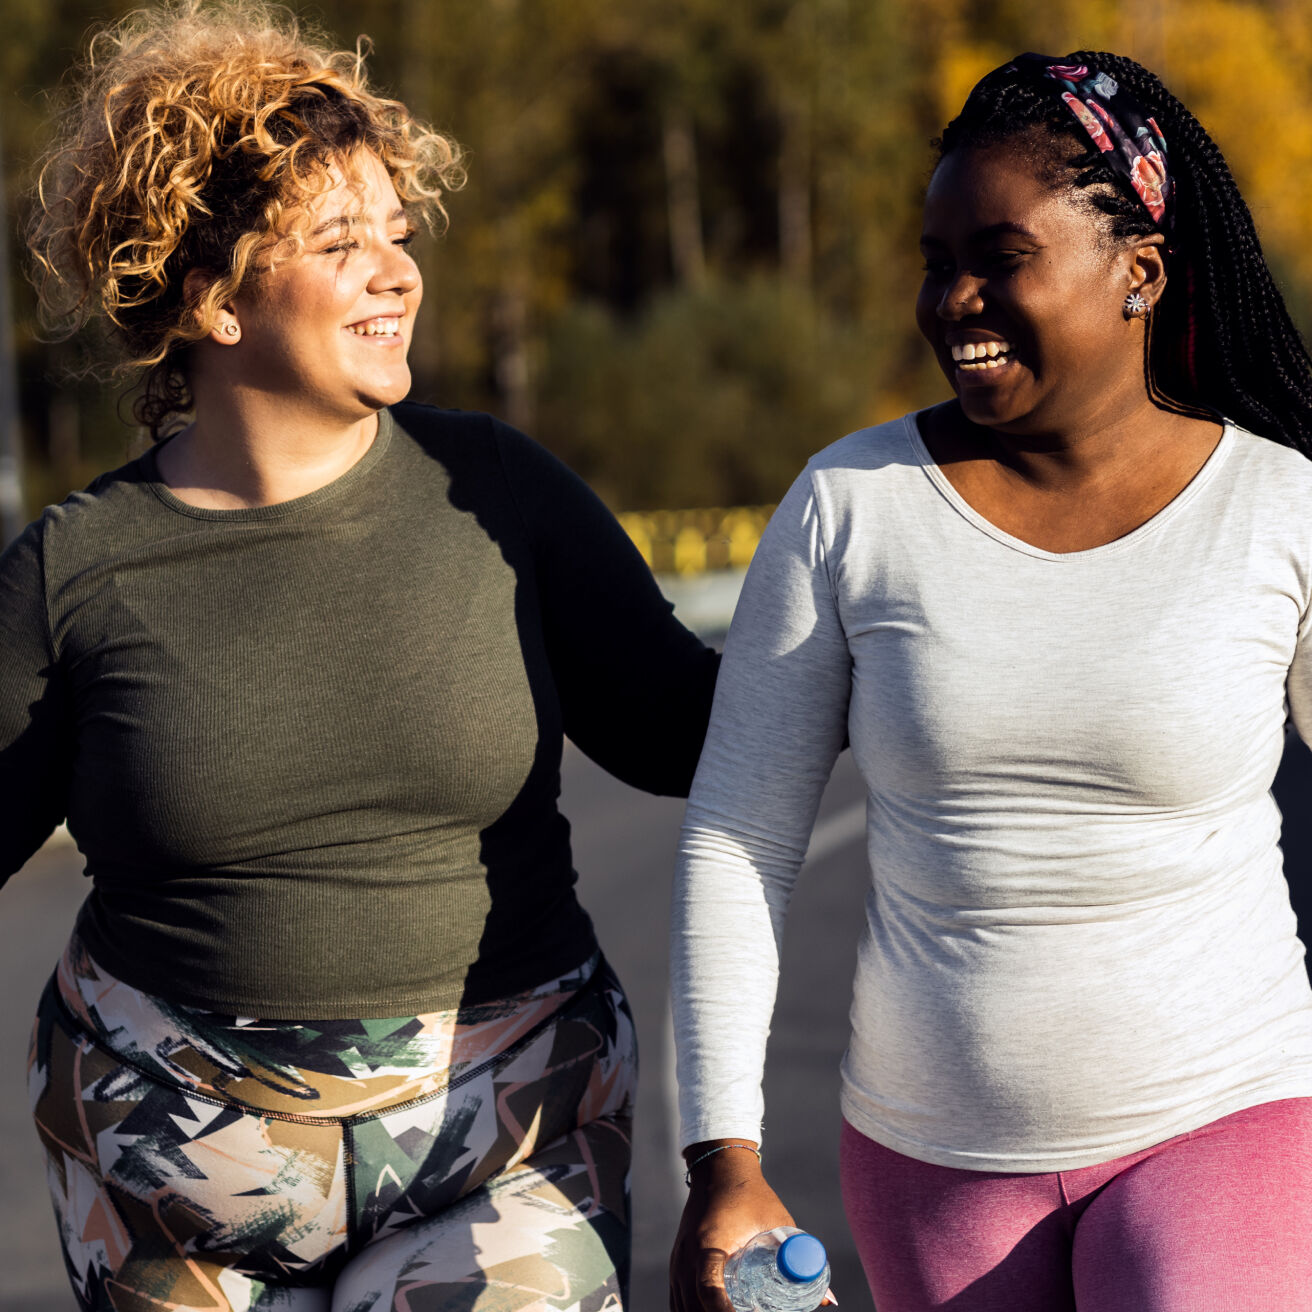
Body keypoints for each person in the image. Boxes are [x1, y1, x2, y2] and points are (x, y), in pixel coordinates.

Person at [1, 4, 720, 1309]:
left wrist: (883, 616)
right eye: (342, 243)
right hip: (172, 1168)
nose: (398, 273)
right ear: (212, 295)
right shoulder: (76, 570)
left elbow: (684, 730)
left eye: (398, 234)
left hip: (505, 1138)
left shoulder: (501, 493)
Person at [668, 50, 1312, 1312]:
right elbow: (737, 840)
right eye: (933, 258)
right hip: (932, 1159)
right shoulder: (850, 506)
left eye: (998, 256)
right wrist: (720, 1160)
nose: (952, 297)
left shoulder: (1279, 508)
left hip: (1228, 1108)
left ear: (1139, 272)